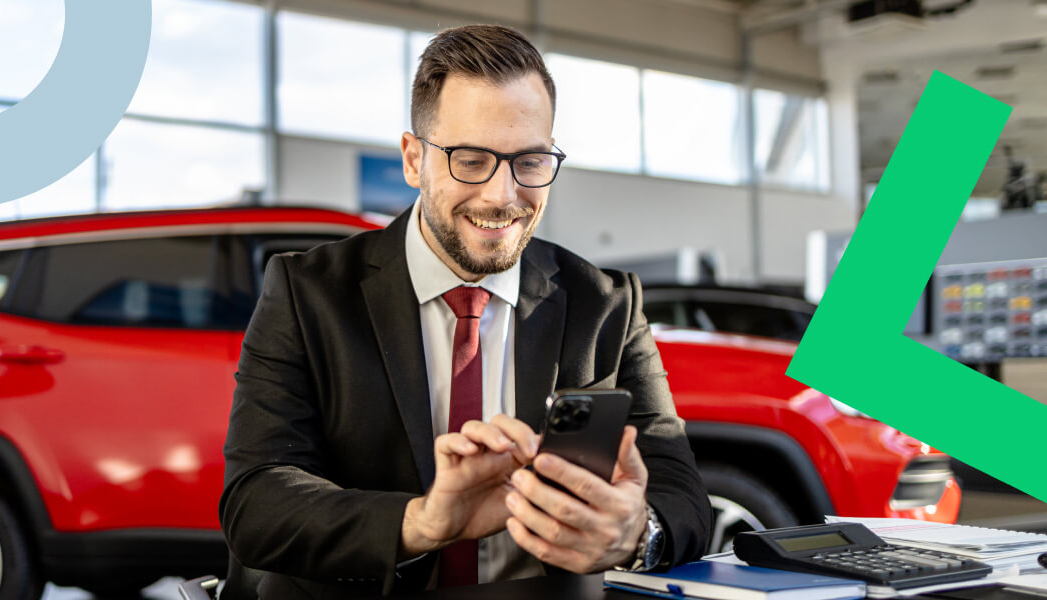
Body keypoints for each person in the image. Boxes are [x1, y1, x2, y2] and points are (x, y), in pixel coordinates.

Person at [220, 24, 710, 599]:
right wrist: (420, 524)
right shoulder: (308, 293)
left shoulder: (605, 304)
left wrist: (636, 533)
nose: (502, 195)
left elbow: (681, 491)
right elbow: (257, 499)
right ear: (413, 160)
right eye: (471, 160)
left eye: (529, 161)